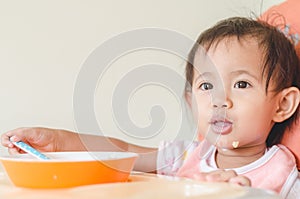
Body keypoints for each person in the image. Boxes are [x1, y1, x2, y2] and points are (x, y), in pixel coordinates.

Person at [1, 17, 299, 198]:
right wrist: (58, 141)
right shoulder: (185, 156)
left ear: (282, 105)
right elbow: (120, 152)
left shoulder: (283, 175)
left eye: (242, 84)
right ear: (189, 101)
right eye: (207, 87)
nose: (220, 100)